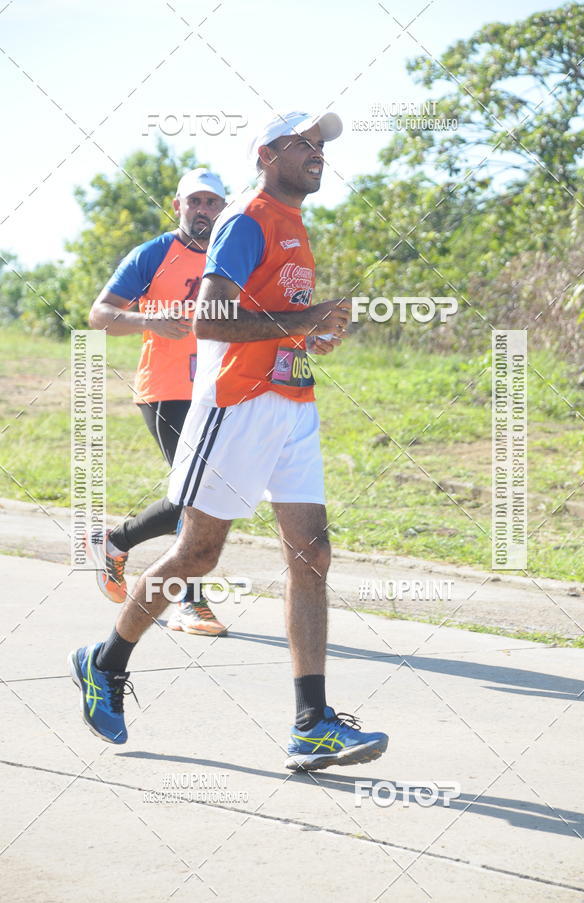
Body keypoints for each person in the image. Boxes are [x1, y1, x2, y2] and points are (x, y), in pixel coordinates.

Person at [70, 111, 389, 772]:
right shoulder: (248, 219)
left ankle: (311, 723)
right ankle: (105, 661)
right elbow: (213, 320)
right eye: (305, 142)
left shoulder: (294, 224)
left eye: (322, 145)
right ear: (268, 154)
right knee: (197, 554)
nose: (318, 153)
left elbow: (272, 320)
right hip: (236, 405)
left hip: (291, 404)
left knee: (313, 553)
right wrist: (305, 317)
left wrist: (315, 332)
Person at [87, 168, 228, 636]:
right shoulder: (153, 253)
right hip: (167, 389)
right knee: (196, 494)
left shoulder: (232, 255)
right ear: (178, 206)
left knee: (208, 493)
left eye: (211, 202)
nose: (203, 210)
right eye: (195, 202)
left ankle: (114, 543)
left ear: (222, 209)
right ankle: (192, 603)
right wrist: (149, 319)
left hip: (219, 387)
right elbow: (100, 315)